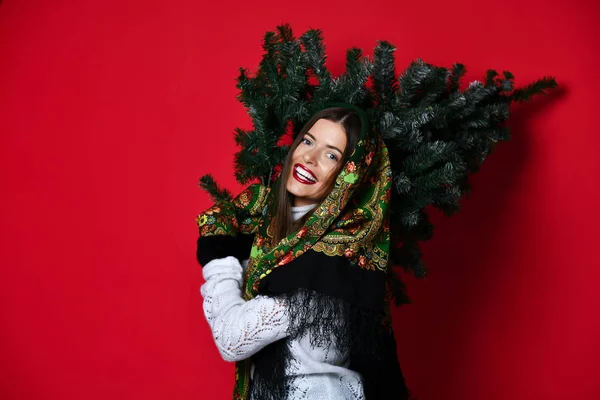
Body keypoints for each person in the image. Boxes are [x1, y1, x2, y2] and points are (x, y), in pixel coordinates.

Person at [196, 104, 411, 399]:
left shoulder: (327, 260)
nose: (309, 158)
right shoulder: (279, 238)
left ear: (351, 176)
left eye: (331, 155)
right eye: (308, 141)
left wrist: (218, 257)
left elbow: (232, 339)